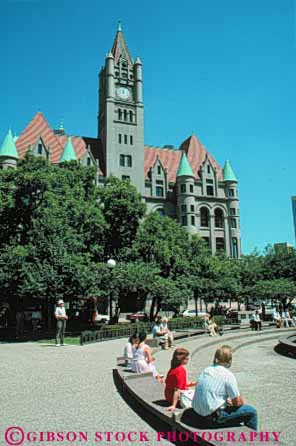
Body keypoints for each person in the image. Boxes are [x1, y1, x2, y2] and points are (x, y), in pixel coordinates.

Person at [192, 345, 258, 431]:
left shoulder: (206, 370)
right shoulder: (228, 375)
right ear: (229, 360)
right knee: (252, 412)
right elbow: (238, 403)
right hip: (212, 419)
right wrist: (235, 401)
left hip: (197, 414)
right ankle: (252, 440)